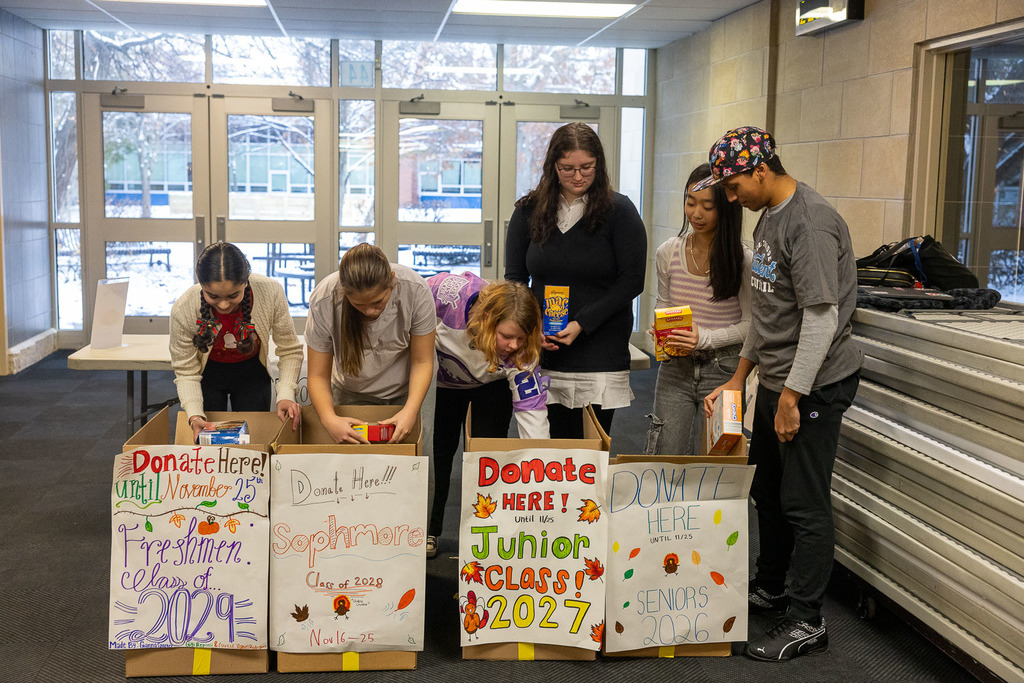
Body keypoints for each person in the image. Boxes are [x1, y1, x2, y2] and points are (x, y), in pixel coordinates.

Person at [699, 127, 862, 662]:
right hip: (777, 379)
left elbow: (820, 320)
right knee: (765, 491)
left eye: (732, 184)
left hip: (814, 383)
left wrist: (792, 396)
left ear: (761, 170)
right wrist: (738, 377)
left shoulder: (810, 223)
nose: (729, 197)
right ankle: (771, 587)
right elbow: (768, 315)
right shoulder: (769, 215)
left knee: (803, 502)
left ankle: (807, 619)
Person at [505, 122, 647, 439]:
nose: (578, 176)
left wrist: (582, 323)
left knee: (587, 457)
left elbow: (631, 281)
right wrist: (532, 327)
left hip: (600, 352)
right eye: (567, 168)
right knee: (547, 453)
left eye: (587, 167)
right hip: (543, 349)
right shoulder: (528, 211)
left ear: (599, 165)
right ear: (552, 167)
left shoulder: (619, 211)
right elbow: (515, 280)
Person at [427, 272, 549, 547]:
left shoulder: (522, 351)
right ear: (486, 320)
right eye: (507, 336)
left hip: (489, 387)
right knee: (437, 454)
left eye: (521, 338)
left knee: (488, 457)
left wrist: (543, 465)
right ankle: (428, 530)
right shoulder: (444, 295)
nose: (514, 345)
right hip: (440, 384)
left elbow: (532, 413)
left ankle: (484, 532)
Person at [645, 162, 750, 455]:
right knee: (666, 459)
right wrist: (658, 327)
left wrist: (704, 337)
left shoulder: (742, 260)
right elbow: (665, 302)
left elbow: (752, 325)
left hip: (724, 369)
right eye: (690, 203)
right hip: (675, 367)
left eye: (707, 206)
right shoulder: (668, 251)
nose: (696, 213)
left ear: (726, 208)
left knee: (716, 463)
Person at [304, 242, 436, 447]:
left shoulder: (415, 290)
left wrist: (410, 411)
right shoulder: (324, 300)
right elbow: (317, 375)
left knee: (415, 462)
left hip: (408, 390)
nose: (370, 312)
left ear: (392, 281)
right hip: (351, 390)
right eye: (359, 305)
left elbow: (423, 362)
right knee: (353, 466)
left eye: (378, 302)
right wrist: (329, 419)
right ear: (343, 291)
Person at [170, 242, 303, 442]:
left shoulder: (270, 291)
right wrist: (194, 415)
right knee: (208, 442)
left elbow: (289, 350)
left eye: (233, 295)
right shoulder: (184, 308)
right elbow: (186, 370)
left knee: (256, 439)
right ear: (201, 284)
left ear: (245, 282)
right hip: (208, 374)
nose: (223, 304)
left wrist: (286, 394)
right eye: (213, 296)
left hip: (252, 371)